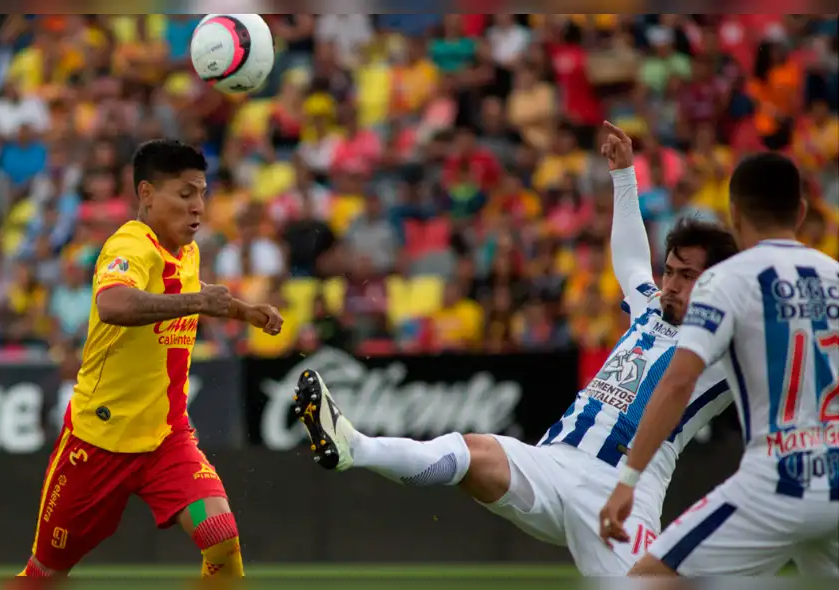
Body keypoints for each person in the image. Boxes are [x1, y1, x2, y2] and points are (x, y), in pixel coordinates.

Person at [292, 122, 740, 575]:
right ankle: (356, 447)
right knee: (471, 451)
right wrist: (623, 177)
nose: (671, 285)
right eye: (670, 272)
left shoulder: (724, 347)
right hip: (551, 463)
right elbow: (628, 258)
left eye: (687, 276)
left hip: (623, 491)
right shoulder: (649, 305)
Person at [16, 140, 284, 580]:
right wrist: (199, 302)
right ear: (146, 194)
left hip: (166, 437)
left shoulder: (188, 250)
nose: (198, 207)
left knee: (222, 539)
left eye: (202, 193)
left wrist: (245, 311)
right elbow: (115, 306)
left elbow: (195, 295)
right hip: (98, 441)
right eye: (185, 194)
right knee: (44, 574)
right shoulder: (129, 246)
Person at [599, 152, 839, 576]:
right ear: (801, 212)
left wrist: (628, 480)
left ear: (735, 213)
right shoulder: (834, 276)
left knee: (645, 581)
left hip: (775, 480)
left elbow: (676, 384)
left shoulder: (724, 281)